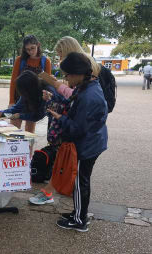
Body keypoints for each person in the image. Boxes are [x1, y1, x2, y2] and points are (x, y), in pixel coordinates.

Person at [30, 36, 101, 205]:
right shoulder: (84, 69)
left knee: (67, 160)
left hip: (77, 124)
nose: (60, 58)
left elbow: (76, 97)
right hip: (80, 124)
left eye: (61, 54)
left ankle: (72, 207)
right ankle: (71, 195)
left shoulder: (84, 71)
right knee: (69, 161)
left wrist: (55, 86)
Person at [49, 52, 108, 232]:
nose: (65, 79)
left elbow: (77, 129)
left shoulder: (88, 96)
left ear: (76, 73)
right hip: (93, 141)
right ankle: (79, 212)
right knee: (82, 180)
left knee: (79, 182)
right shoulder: (89, 86)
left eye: (66, 75)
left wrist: (59, 117)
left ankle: (79, 220)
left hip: (86, 145)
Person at [9, 35, 52, 133]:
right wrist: (11, 101)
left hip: (34, 100)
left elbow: (47, 84)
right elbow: (13, 82)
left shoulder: (46, 61)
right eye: (27, 49)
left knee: (29, 132)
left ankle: (29, 148)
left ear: (38, 45)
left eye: (33, 48)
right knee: (13, 130)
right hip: (19, 97)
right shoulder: (20, 60)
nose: (30, 51)